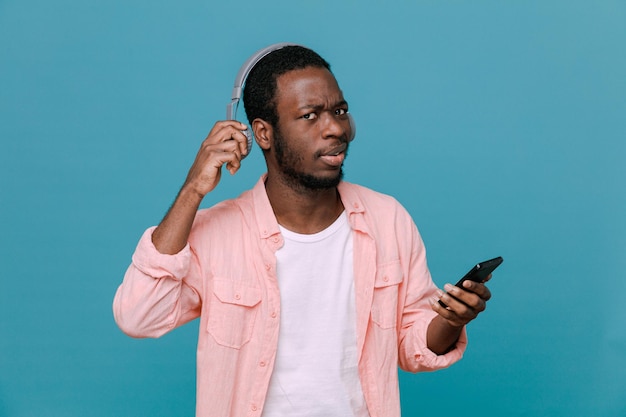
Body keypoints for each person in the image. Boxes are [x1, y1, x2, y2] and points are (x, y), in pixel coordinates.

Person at [113, 44, 492, 417]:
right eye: (311, 115)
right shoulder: (218, 233)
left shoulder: (387, 219)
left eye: (340, 111)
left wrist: (450, 320)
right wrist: (192, 190)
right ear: (263, 133)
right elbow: (139, 316)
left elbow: (412, 345)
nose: (335, 129)